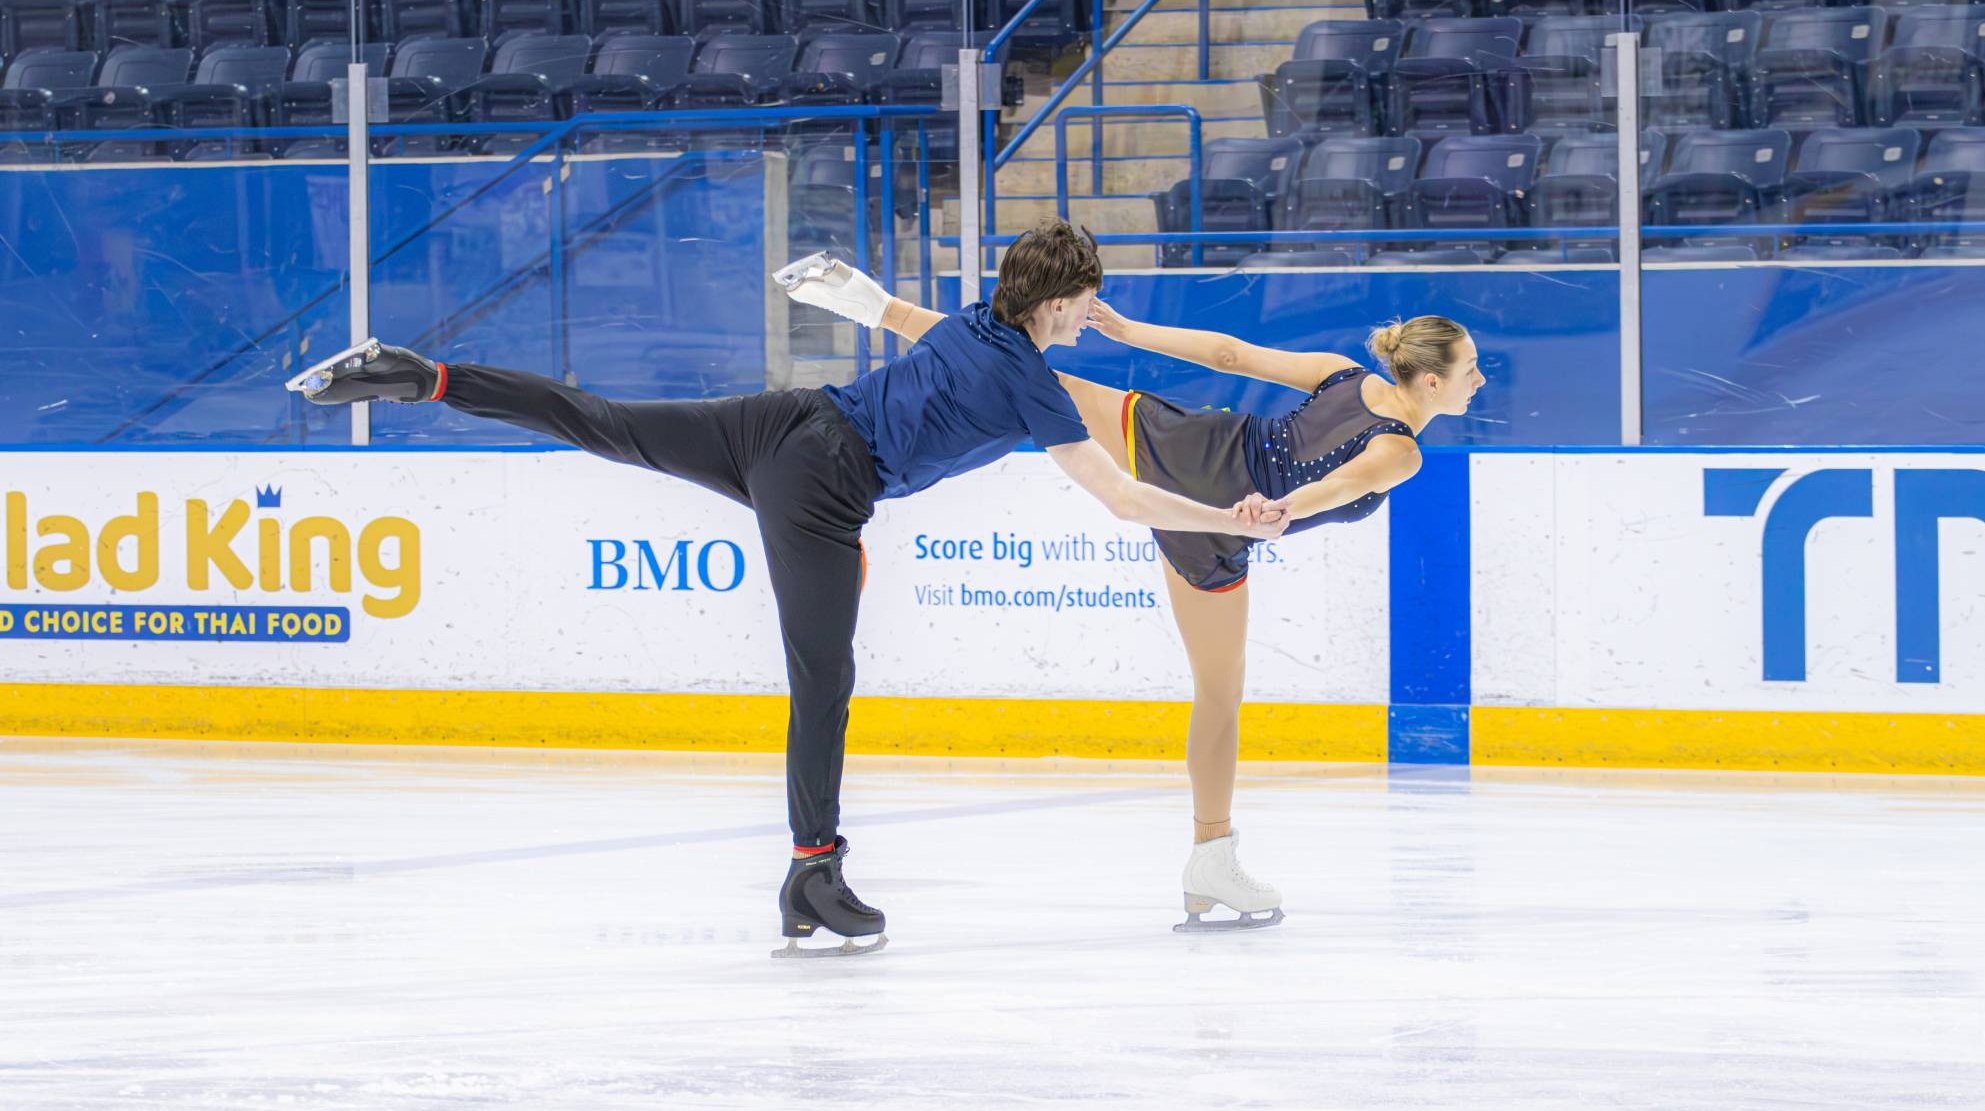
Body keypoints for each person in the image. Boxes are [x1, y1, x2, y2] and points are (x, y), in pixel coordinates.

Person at [286, 219, 1288, 957]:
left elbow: (910, 319)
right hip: (824, 490)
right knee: (823, 682)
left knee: (605, 422)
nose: (1088, 322)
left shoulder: (976, 326)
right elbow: (1121, 497)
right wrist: (1232, 516)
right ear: (1059, 302)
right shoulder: (1030, 378)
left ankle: (431, 379)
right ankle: (814, 871)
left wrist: (855, 293)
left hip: (777, 424)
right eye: (1085, 305)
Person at [787, 253, 1484, 932]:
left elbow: (1230, 354)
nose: (1478, 380)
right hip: (1223, 525)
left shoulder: (1345, 376)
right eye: (1469, 369)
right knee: (1219, 692)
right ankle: (1211, 854)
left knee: (1019, 372)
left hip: (1191, 451)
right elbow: (1344, 483)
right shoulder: (1403, 449)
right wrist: (1279, 512)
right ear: (1427, 381)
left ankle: (875, 306)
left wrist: (1131, 331)